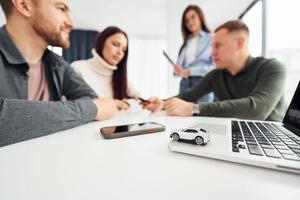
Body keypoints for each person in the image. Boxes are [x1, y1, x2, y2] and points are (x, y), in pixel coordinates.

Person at [0, 0, 120, 147]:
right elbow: (95, 106)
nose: (71, 23)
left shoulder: (56, 63)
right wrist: (93, 109)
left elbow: (89, 96)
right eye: (61, 9)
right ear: (24, 5)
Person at [144, 20, 286, 122]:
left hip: (271, 137)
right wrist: (162, 103)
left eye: (218, 46)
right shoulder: (216, 75)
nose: (212, 53)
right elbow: (189, 95)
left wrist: (194, 109)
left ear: (240, 43)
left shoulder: (273, 68)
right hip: (234, 133)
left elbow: (256, 110)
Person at [71, 26, 139, 109]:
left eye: (124, 50)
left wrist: (126, 103)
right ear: (102, 42)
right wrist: (112, 104)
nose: (119, 52)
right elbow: (71, 106)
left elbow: (140, 101)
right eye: (116, 44)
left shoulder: (120, 76)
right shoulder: (78, 68)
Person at [174, 5, 214, 102]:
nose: (190, 22)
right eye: (187, 20)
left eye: (193, 17)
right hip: (184, 83)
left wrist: (191, 71)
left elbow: (214, 67)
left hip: (202, 83)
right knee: (182, 116)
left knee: (202, 115)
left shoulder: (211, 38)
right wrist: (178, 70)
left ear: (200, 17)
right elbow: (181, 68)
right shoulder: (186, 44)